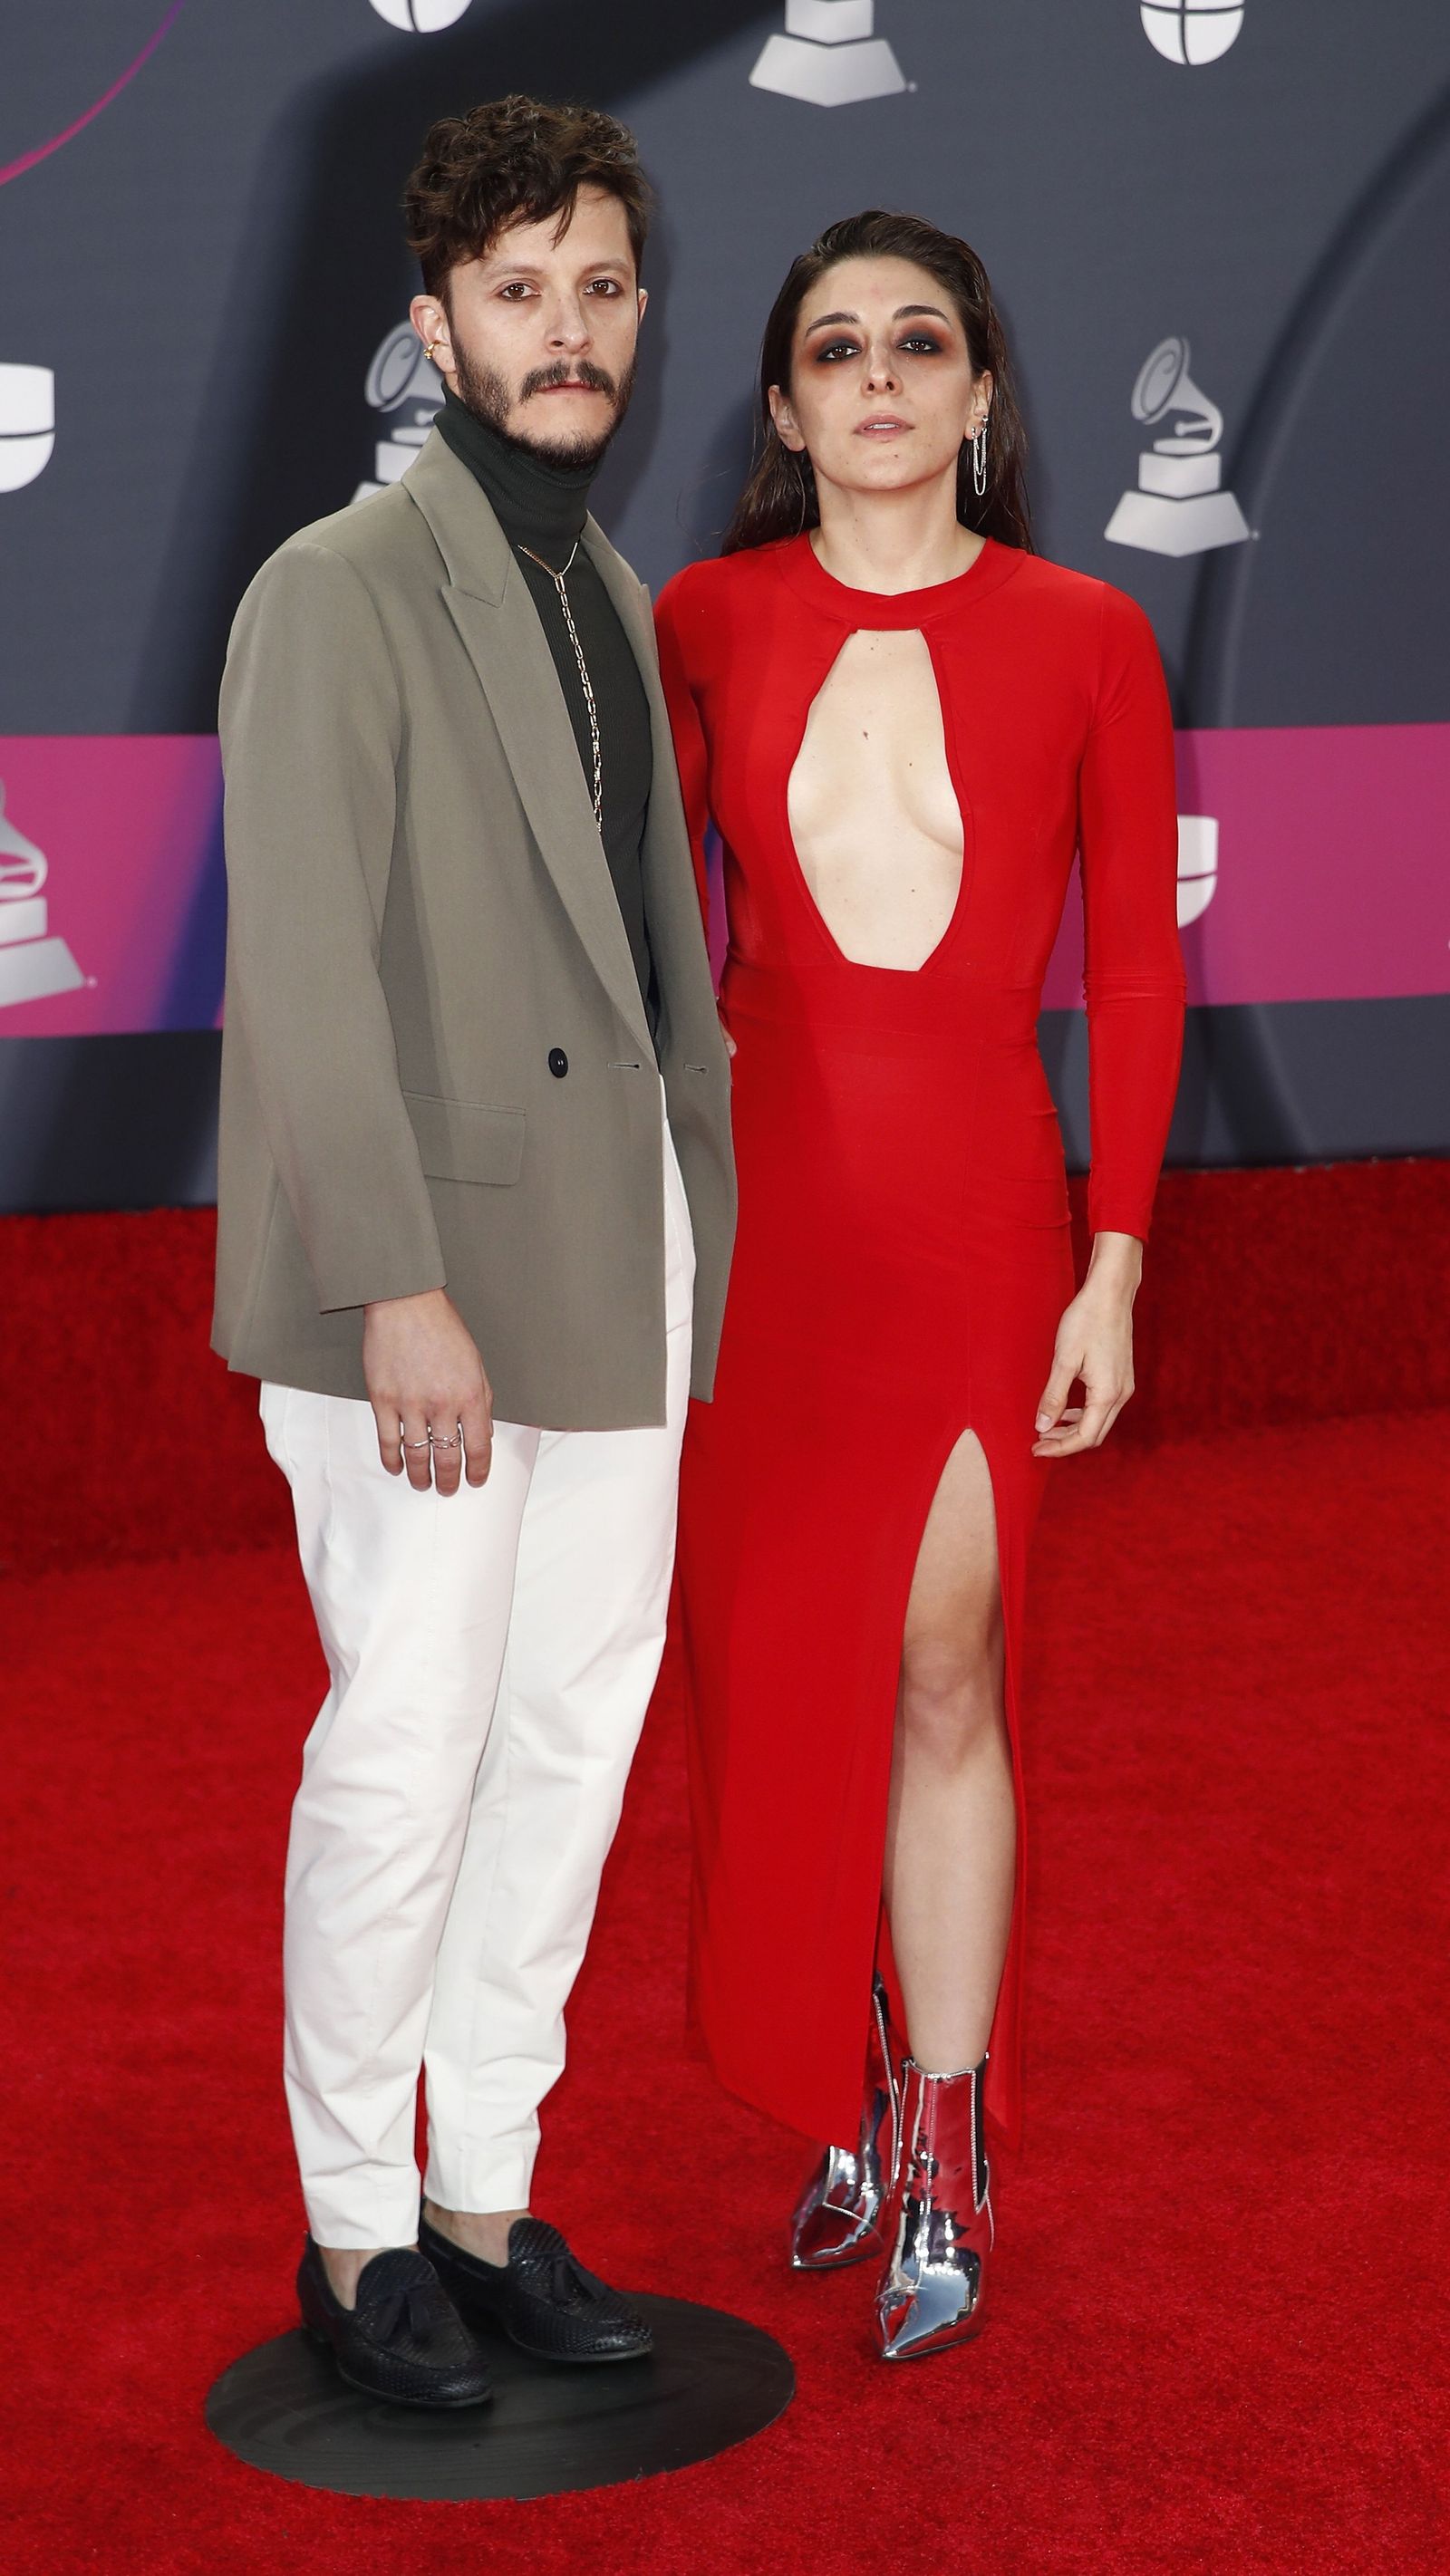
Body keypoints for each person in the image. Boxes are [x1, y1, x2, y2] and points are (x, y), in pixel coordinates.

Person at [212, 96, 734, 2408]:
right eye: (518, 290)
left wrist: (690, 1232)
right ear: (432, 326)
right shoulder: (336, 588)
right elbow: (307, 971)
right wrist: (395, 1281)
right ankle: (351, 2243)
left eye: (599, 288)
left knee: (566, 1744)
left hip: (612, 1261)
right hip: (408, 1287)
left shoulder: (602, 586)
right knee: (405, 1752)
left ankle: (483, 2197)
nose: (566, 330)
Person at [654, 209, 1185, 2361]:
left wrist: (1117, 1262)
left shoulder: (1083, 636)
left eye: (921, 342)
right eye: (834, 348)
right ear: (782, 411)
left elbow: (1137, 966)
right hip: (759, 1226)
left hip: (977, 1218)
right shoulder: (694, 614)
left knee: (948, 1661)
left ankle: (948, 2141)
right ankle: (851, 2089)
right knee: (783, 1677)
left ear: (978, 396)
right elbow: (650, 944)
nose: (878, 375)